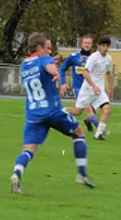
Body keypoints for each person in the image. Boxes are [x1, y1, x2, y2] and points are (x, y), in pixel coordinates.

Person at [10, 33, 94, 194]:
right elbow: (50, 68)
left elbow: (40, 73)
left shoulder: (25, 65)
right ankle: (82, 174)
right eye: (48, 48)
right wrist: (55, 73)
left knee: (28, 150)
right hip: (52, 110)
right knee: (79, 132)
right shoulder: (45, 59)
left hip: (33, 115)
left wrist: (50, 71)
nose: (50, 51)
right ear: (39, 48)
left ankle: (17, 173)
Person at [71, 36, 114, 140]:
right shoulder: (93, 57)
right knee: (78, 112)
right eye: (103, 45)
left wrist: (111, 88)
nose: (105, 48)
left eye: (107, 46)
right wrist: (93, 86)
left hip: (99, 90)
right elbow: (85, 72)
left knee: (107, 110)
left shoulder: (108, 58)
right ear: (99, 46)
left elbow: (108, 73)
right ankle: (59, 111)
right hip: (87, 89)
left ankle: (98, 134)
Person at [59, 34, 100, 133]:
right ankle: (100, 129)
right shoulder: (74, 57)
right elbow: (62, 69)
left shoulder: (95, 58)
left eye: (89, 43)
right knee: (89, 110)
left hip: (90, 88)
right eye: (85, 43)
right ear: (81, 44)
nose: (87, 45)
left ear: (92, 45)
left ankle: (61, 111)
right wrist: (63, 83)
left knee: (79, 111)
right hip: (79, 88)